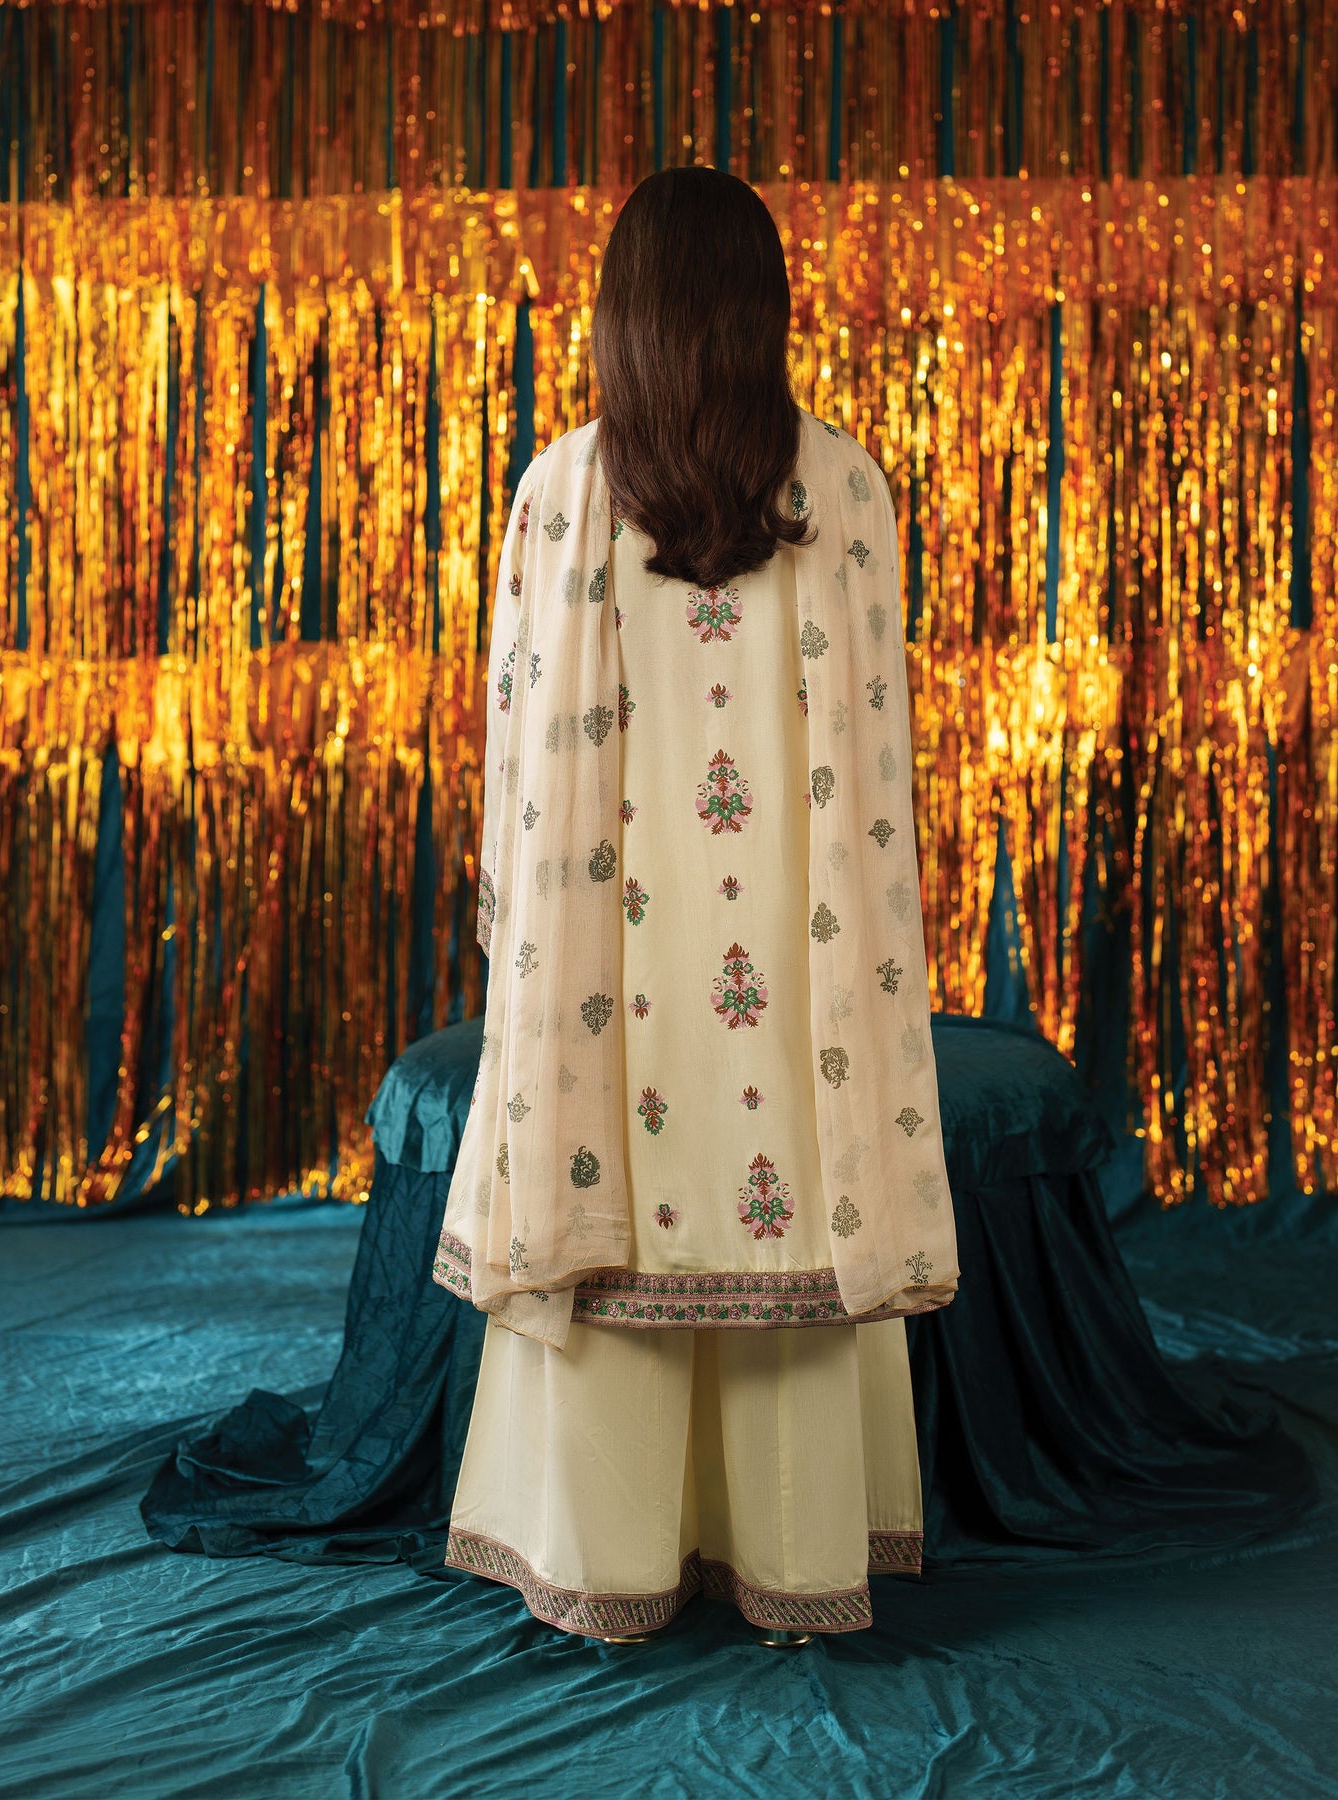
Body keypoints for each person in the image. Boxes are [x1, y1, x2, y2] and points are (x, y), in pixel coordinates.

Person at [434, 165, 959, 1647]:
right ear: (762, 312)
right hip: (797, 991)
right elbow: (877, 776)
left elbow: (516, 772)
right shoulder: (843, 486)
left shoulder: (558, 491)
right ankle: (793, 1555)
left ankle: (608, 1565)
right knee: (793, 1192)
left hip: (612, 993)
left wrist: (522, 954)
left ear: (621, 316)